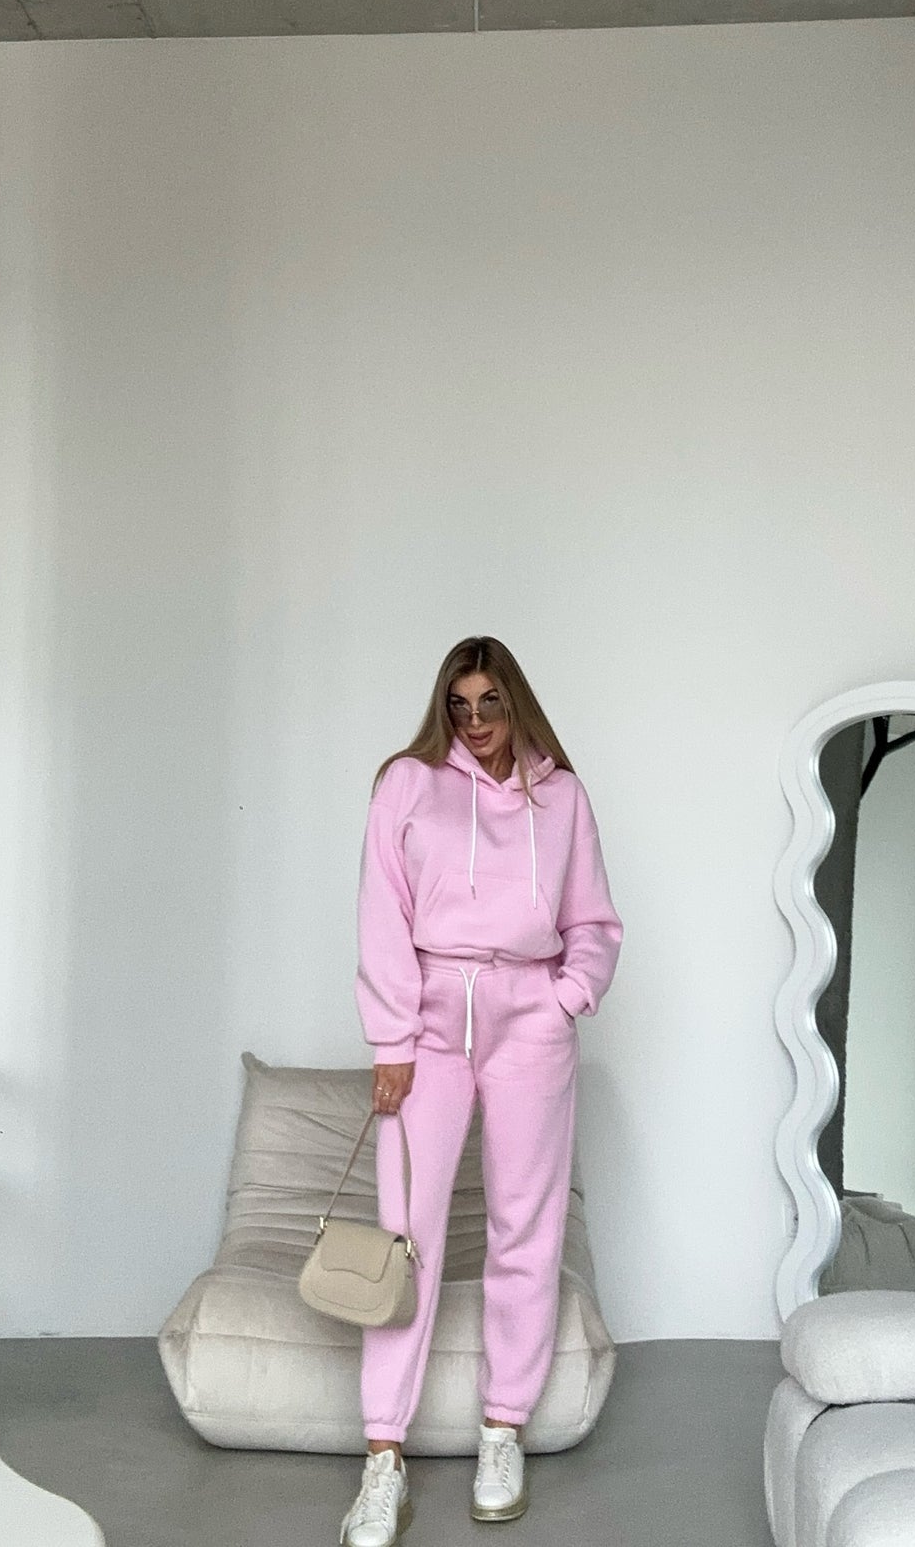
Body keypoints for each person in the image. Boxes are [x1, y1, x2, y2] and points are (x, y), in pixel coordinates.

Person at [339, 637, 623, 1546]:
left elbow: (593, 920)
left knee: (525, 1226)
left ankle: (503, 1428)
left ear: (515, 702)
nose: (474, 721)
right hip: (428, 1015)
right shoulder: (407, 783)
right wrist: (390, 1037)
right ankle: (383, 1454)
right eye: (458, 704)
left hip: (529, 1015)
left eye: (489, 702)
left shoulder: (562, 796)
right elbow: (380, 912)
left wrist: (565, 997)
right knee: (404, 1233)